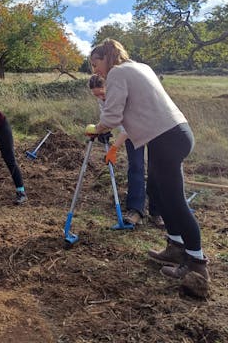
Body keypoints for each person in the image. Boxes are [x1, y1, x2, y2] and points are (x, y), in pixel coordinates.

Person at [87, 39, 209, 297]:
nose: (95, 71)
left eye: (95, 64)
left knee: (175, 201)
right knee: (159, 192)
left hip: (166, 139)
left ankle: (197, 265)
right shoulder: (140, 67)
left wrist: (96, 129)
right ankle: (175, 246)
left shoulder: (117, 72)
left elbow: (112, 116)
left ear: (106, 58)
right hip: (171, 134)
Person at [88, 74, 163, 227]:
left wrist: (114, 149)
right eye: (96, 95)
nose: (100, 97)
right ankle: (136, 211)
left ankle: (157, 212)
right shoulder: (102, 100)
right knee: (135, 167)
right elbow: (107, 119)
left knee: (155, 170)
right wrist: (101, 131)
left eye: (102, 92)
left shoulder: (121, 96)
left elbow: (127, 130)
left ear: (108, 87)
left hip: (151, 128)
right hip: (131, 133)